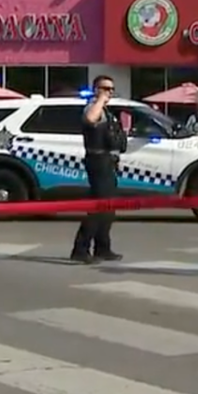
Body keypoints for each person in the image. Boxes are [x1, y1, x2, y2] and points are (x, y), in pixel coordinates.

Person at [72, 74, 127, 264]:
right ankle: (80, 249)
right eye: (105, 88)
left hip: (108, 161)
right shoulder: (93, 107)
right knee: (98, 207)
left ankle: (102, 248)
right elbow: (90, 119)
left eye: (111, 89)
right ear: (96, 90)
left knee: (109, 208)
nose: (109, 92)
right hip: (97, 160)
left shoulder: (106, 110)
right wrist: (100, 99)